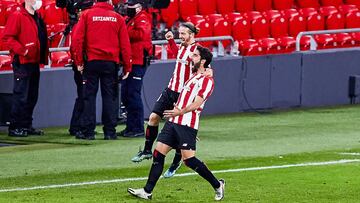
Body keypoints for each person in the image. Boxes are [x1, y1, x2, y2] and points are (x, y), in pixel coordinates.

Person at [128, 46, 225, 201]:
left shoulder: (207, 81)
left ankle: (218, 185)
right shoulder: (194, 76)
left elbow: (198, 103)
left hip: (186, 124)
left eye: (195, 55)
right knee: (158, 154)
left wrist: (181, 113)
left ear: (203, 60)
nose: (191, 58)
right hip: (174, 121)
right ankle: (147, 191)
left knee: (189, 161)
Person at [131, 22, 212, 179]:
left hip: (183, 95)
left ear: (192, 34)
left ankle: (176, 161)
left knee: (177, 129)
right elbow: (178, 55)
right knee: (153, 118)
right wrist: (170, 41)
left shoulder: (197, 51)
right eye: (179, 33)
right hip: (170, 89)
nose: (180, 36)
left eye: (183, 34)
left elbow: (207, 68)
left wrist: (210, 72)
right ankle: (147, 150)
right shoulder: (182, 46)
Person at [72, 0, 132, 140]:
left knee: (89, 97)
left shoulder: (86, 15)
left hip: (91, 62)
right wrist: (128, 66)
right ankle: (110, 132)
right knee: (110, 98)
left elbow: (77, 40)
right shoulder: (117, 17)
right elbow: (125, 44)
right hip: (110, 63)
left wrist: (79, 61)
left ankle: (88, 132)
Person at [2, 0, 48, 137]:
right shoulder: (17, 16)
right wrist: (23, 51)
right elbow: (7, 37)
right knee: (21, 95)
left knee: (32, 96)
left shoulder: (38, 17)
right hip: (22, 61)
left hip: (34, 62)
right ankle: (15, 127)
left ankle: (26, 125)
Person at [117, 0, 152, 137]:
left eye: (132, 6)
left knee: (133, 94)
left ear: (139, 8)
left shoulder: (143, 18)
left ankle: (137, 128)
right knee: (126, 95)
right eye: (128, 6)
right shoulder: (129, 19)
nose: (129, 8)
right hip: (129, 62)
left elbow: (141, 34)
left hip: (138, 61)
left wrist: (123, 32)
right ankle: (130, 127)